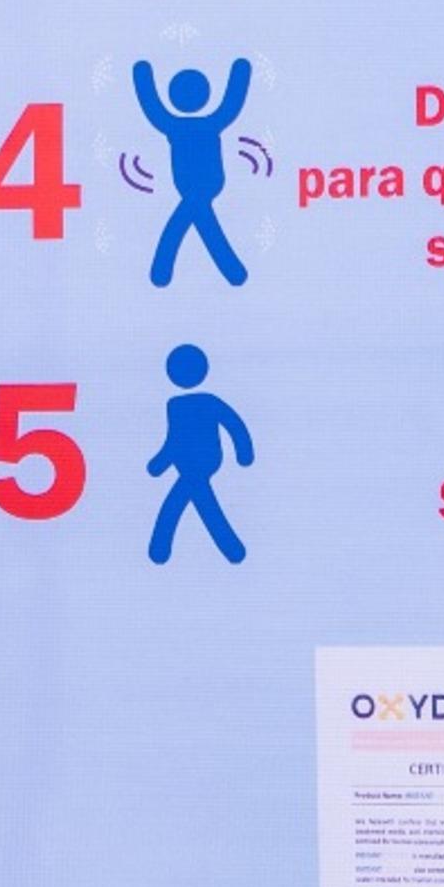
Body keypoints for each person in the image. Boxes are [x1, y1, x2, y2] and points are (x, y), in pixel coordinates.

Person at [136, 58, 252, 288]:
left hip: (195, 185)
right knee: (200, 226)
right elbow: (231, 104)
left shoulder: (173, 125)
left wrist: (142, 75)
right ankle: (233, 272)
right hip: (204, 185)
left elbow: (153, 108)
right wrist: (240, 71)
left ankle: (162, 272)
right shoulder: (211, 123)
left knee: (183, 224)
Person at [146, 343, 252, 565]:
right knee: (198, 503)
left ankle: (160, 549)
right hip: (190, 462)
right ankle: (233, 551)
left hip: (204, 461)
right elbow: (174, 438)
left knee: (177, 504)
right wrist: (161, 462)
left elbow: (233, 424)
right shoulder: (175, 405)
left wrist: (244, 452)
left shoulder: (206, 402)